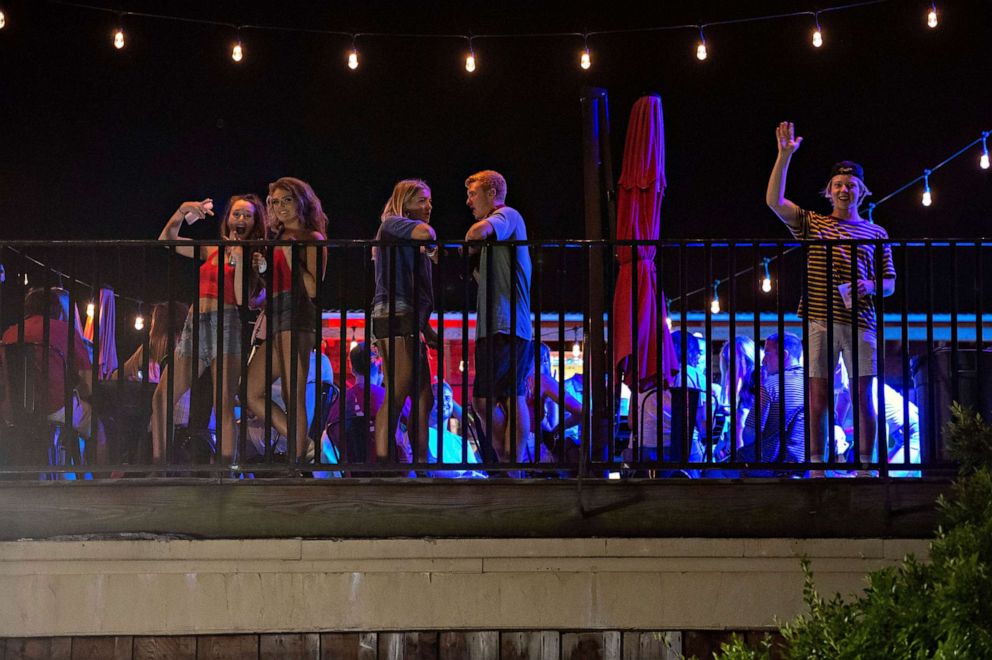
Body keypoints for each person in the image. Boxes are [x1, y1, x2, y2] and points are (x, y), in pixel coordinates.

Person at [766, 122, 896, 476]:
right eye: (838, 185)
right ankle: (818, 467)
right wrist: (784, 155)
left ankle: (866, 468)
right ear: (829, 190)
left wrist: (871, 285)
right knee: (818, 395)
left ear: (862, 191)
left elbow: (890, 283)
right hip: (820, 318)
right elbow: (774, 202)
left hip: (862, 323)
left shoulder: (876, 232)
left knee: (862, 396)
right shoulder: (815, 224)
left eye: (850, 185)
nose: (843, 190)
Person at [151, 195, 265, 465]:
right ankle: (159, 467)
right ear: (227, 219)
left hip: (226, 323)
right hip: (196, 322)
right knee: (161, 398)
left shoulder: (255, 255)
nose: (241, 219)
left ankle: (225, 472)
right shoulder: (211, 249)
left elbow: (241, 299)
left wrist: (241, 257)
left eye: (247, 215)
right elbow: (167, 241)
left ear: (255, 223)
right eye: (236, 214)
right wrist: (181, 211)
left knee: (223, 405)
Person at [244, 177, 327, 464]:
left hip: (299, 318)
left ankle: (295, 462)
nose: (279, 207)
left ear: (301, 202)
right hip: (276, 317)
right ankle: (302, 446)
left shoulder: (311, 237)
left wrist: (291, 259)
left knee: (294, 394)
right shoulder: (277, 239)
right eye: (275, 202)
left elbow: (314, 288)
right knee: (249, 392)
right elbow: (277, 284)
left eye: (286, 200)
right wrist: (265, 269)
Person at [464, 170, 533, 463]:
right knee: (493, 398)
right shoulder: (497, 239)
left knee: (499, 398)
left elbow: (475, 233)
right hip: (495, 325)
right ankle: (509, 460)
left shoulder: (508, 215)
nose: (468, 202)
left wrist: (471, 239)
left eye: (472, 194)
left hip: (507, 325)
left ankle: (511, 463)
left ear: (492, 194)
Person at [371, 179, 438, 466]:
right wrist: (431, 241)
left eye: (429, 200)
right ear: (405, 201)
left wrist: (426, 328)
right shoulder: (392, 223)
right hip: (393, 314)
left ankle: (421, 463)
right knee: (398, 391)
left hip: (408, 317)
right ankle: (385, 465)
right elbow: (426, 232)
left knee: (425, 397)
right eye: (421, 200)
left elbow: (420, 290)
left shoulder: (407, 238)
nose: (428, 206)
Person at [1, 287, 107, 464]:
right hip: (55, 408)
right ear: (56, 309)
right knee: (98, 429)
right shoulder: (65, 330)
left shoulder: (10, 333)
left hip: (14, 409)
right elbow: (88, 384)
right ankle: (103, 479)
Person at [742, 333, 806, 473]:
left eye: (767, 354)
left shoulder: (771, 385)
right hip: (805, 466)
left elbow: (750, 433)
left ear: (783, 355)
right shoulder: (813, 384)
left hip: (771, 464)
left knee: (713, 471)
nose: (763, 361)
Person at [427, 380, 485, 478]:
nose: (444, 401)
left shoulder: (462, 442)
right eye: (438, 397)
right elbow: (432, 469)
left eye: (447, 398)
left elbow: (476, 470)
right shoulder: (422, 435)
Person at [717, 335, 756, 457]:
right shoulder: (738, 382)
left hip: (751, 451)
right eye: (728, 361)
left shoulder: (756, 379)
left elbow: (744, 419)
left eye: (734, 360)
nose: (731, 366)